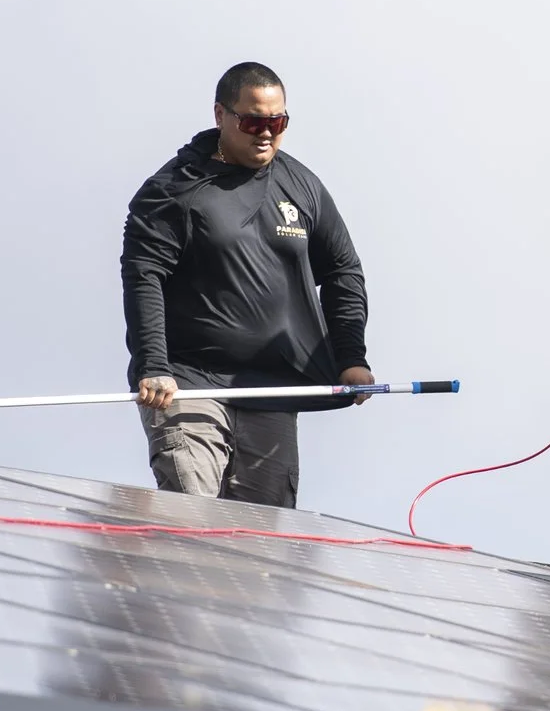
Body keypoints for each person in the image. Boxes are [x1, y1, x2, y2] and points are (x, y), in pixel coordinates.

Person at [119, 62, 372, 508]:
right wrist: (152, 363)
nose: (267, 134)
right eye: (254, 121)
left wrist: (352, 357)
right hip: (189, 384)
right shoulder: (172, 190)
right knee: (191, 516)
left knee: (263, 540)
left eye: (278, 122)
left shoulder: (302, 184)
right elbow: (144, 275)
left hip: (271, 389)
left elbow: (342, 271)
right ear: (221, 116)